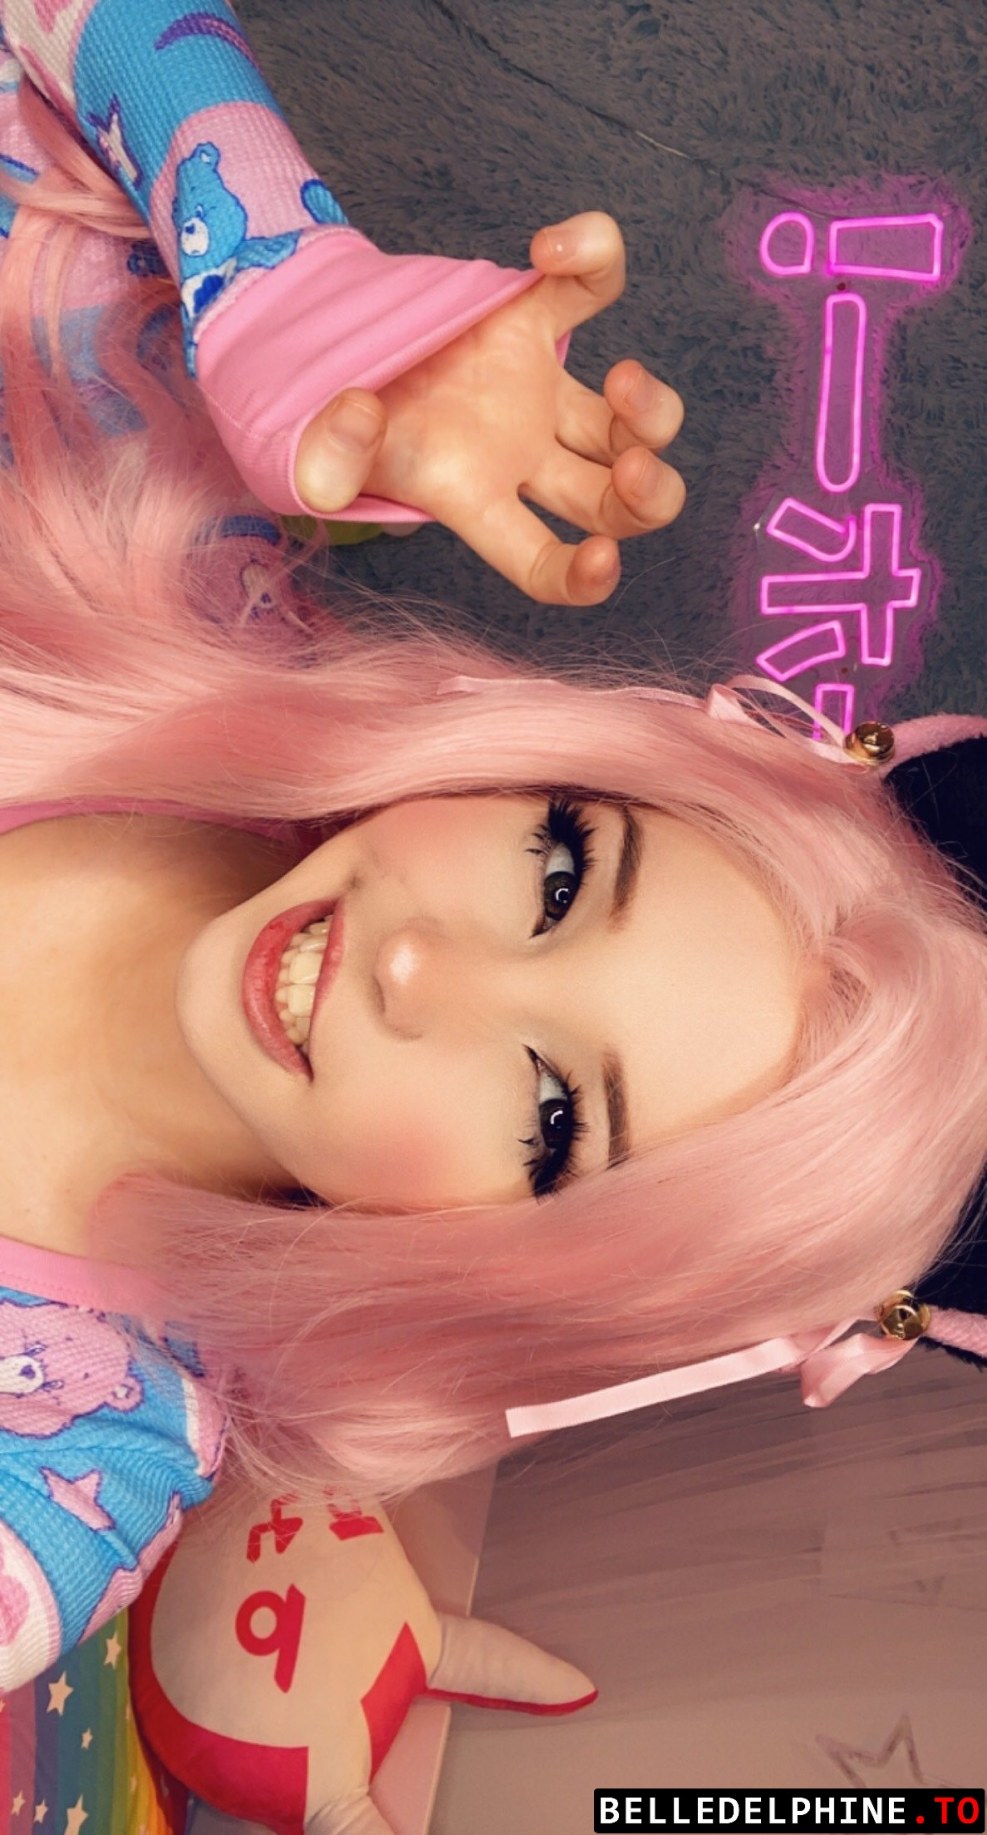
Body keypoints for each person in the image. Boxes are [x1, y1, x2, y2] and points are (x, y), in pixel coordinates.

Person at [0, 0, 986, 1721]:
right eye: (557, 874)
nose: (416, 972)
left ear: (511, 1278)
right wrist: (287, 300)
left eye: (548, 1120)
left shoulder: (69, 1470)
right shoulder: (157, 537)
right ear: (544, 769)